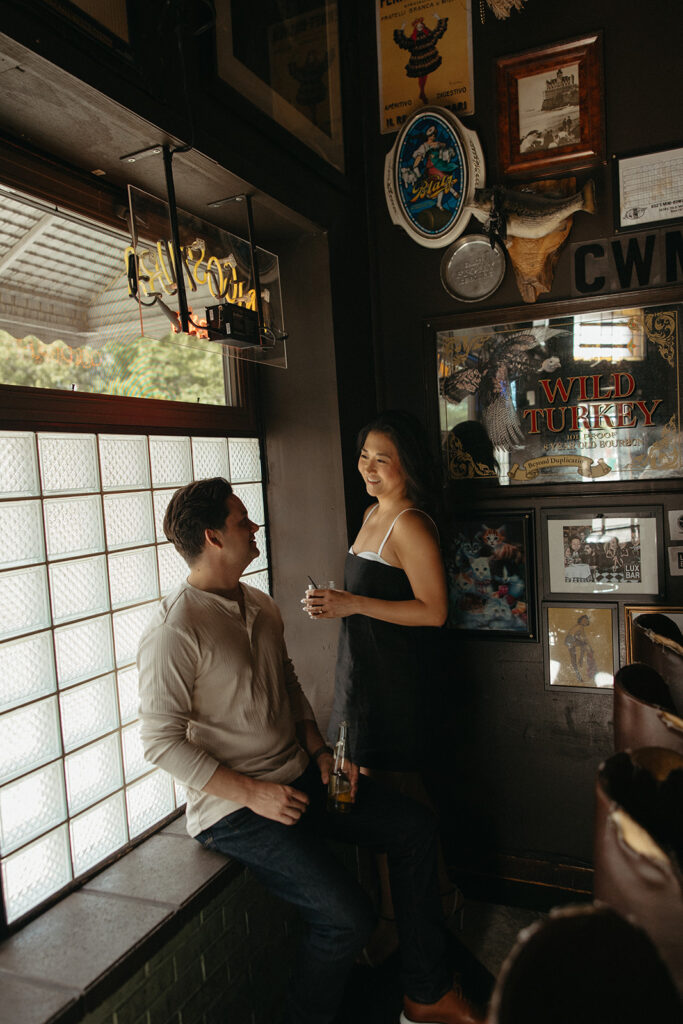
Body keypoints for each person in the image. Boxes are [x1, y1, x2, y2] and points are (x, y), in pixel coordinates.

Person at [137, 477, 481, 1024]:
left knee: (414, 828)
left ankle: (426, 992)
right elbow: (159, 742)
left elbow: (290, 686)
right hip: (235, 810)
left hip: (299, 775)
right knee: (348, 919)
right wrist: (255, 794)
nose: (254, 527)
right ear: (213, 537)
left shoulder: (260, 604)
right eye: (241, 520)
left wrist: (320, 753)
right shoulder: (175, 628)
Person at [303, 411, 458, 961]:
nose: (368, 466)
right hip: (361, 674)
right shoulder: (373, 512)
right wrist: (336, 606)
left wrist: (353, 603)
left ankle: (413, 912)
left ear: (406, 465)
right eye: (364, 455)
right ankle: (411, 905)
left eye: (382, 458)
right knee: (368, 798)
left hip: (394, 684)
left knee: (396, 800)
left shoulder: (410, 523)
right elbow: (369, 600)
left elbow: (435, 611)